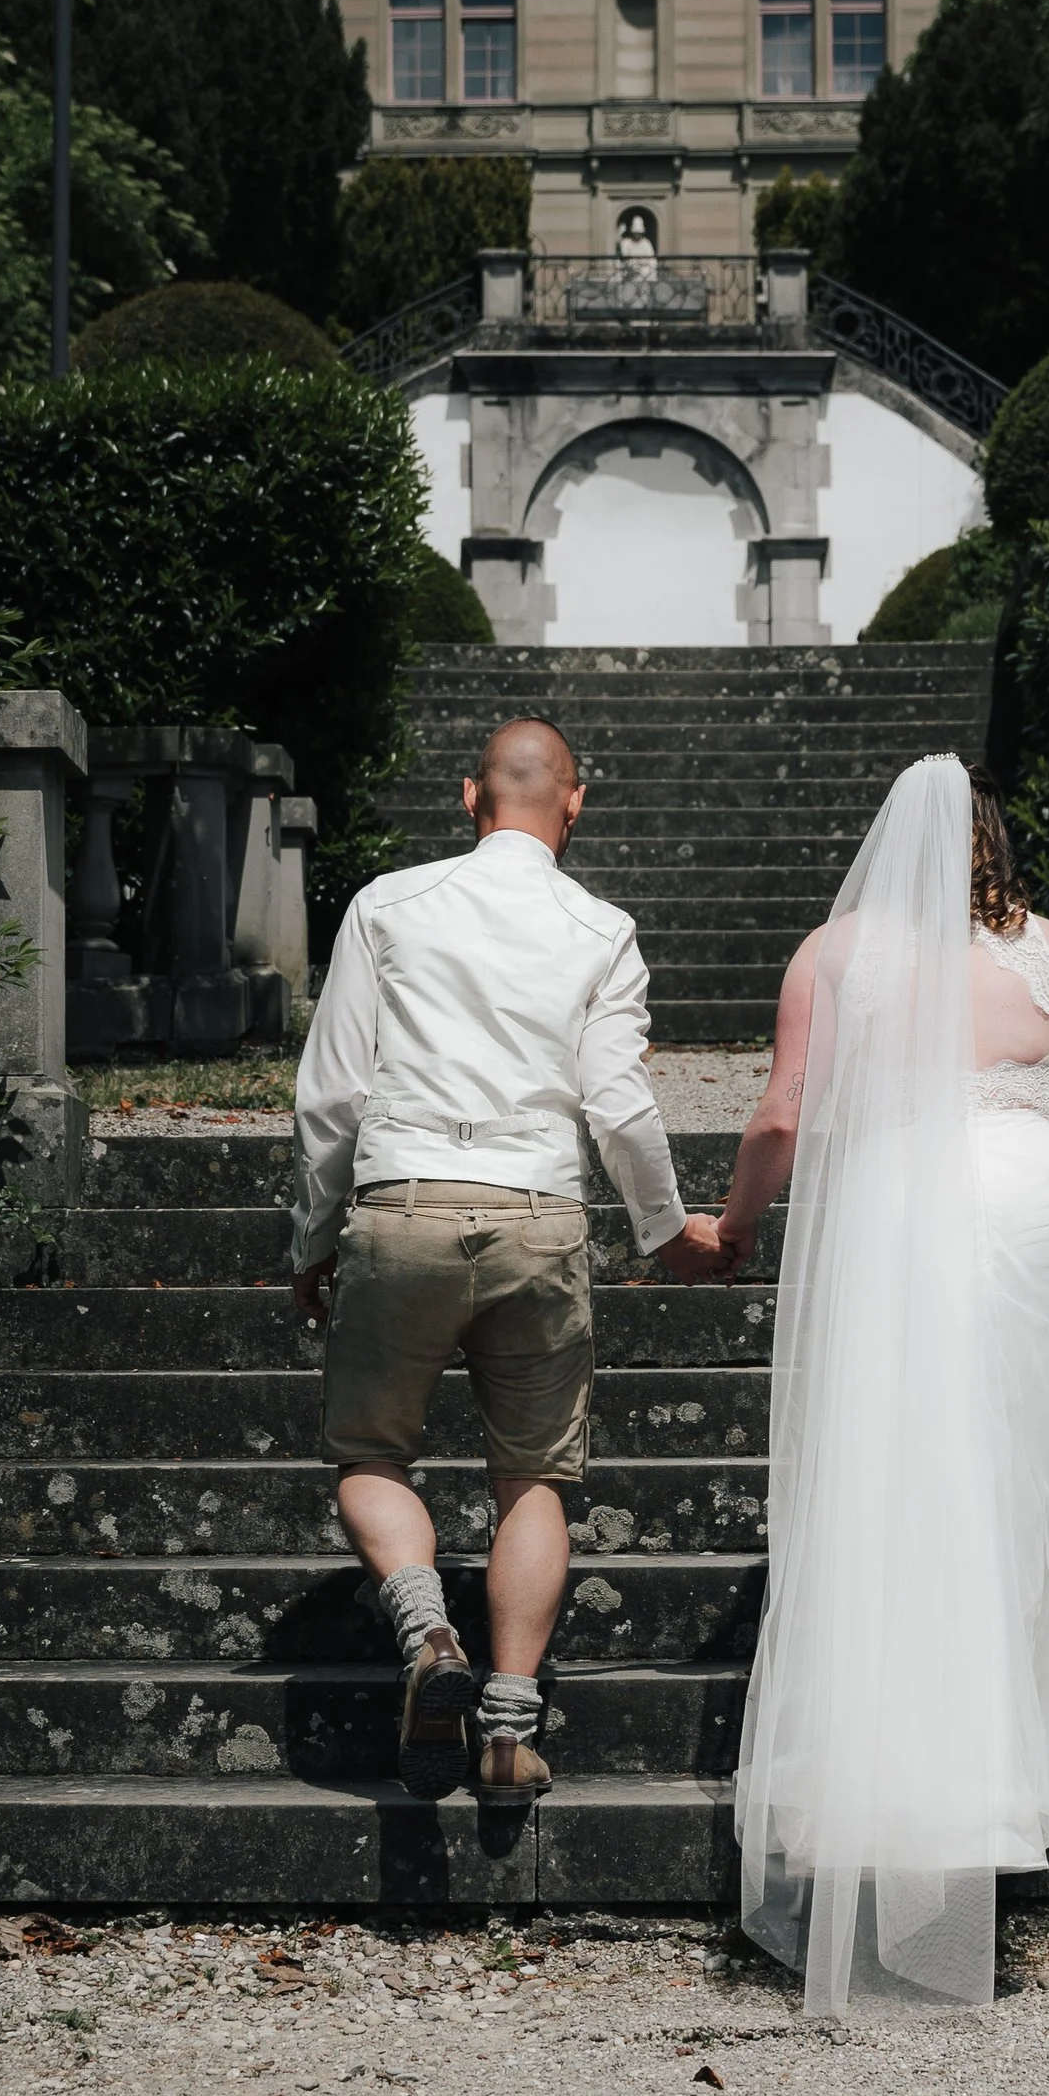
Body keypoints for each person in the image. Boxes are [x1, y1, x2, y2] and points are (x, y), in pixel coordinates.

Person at [709, 755, 1049, 2013]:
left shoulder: (834, 955)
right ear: (993, 844)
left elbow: (782, 1117)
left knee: (894, 1483)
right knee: (1008, 1489)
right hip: (1035, 1212)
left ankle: (880, 1788)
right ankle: (988, 1779)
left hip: (902, 1209)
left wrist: (732, 1227)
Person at [291, 719, 719, 1800]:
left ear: (467, 795)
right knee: (533, 1477)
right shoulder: (602, 928)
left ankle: (429, 1632)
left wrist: (312, 1236)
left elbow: (333, 1092)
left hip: (404, 1200)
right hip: (538, 1211)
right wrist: (667, 1228)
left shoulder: (387, 904)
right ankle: (507, 1732)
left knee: (370, 1453)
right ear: (576, 803)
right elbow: (618, 1102)